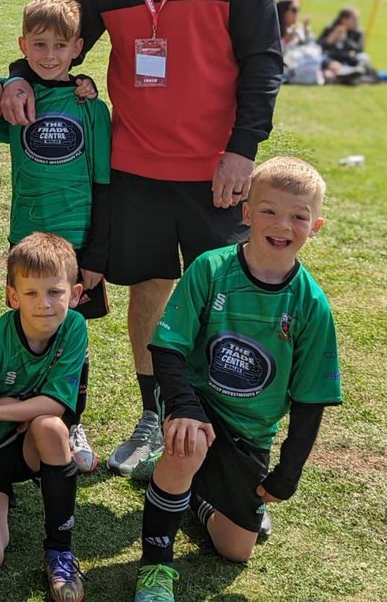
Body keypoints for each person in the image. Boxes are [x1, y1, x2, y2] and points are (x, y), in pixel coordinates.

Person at [1, 0, 283, 480]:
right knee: (149, 298)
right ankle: (155, 417)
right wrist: (18, 73)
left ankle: (222, 432)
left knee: (226, 302)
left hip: (216, 174)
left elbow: (264, 64)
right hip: (135, 170)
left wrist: (243, 152)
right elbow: (57, 36)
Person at [131, 157, 341, 602]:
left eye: (298, 216)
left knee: (236, 549)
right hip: (199, 403)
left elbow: (310, 400)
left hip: (250, 430)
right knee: (189, 442)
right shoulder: (210, 269)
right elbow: (167, 349)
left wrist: (290, 470)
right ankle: (156, 566)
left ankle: (191, 493)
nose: (282, 224)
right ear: (246, 212)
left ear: (315, 225)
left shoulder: (312, 305)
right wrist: (183, 408)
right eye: (268, 210)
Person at [0, 0, 112, 473]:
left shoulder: (92, 107)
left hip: (78, 244)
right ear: (24, 44)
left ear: (79, 48)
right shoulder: (15, 99)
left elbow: (107, 185)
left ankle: (70, 419)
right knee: (27, 327)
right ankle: (23, 413)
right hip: (25, 239)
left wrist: (98, 253)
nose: (49, 55)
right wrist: (11, 78)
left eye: (60, 45)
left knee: (71, 336)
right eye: (39, 44)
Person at [0, 232, 89, 601]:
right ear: (13, 297)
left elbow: (55, 406)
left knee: (51, 426)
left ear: (74, 294)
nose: (44, 304)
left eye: (55, 292)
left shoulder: (74, 326)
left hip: (26, 442)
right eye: (30, 294)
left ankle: (60, 551)